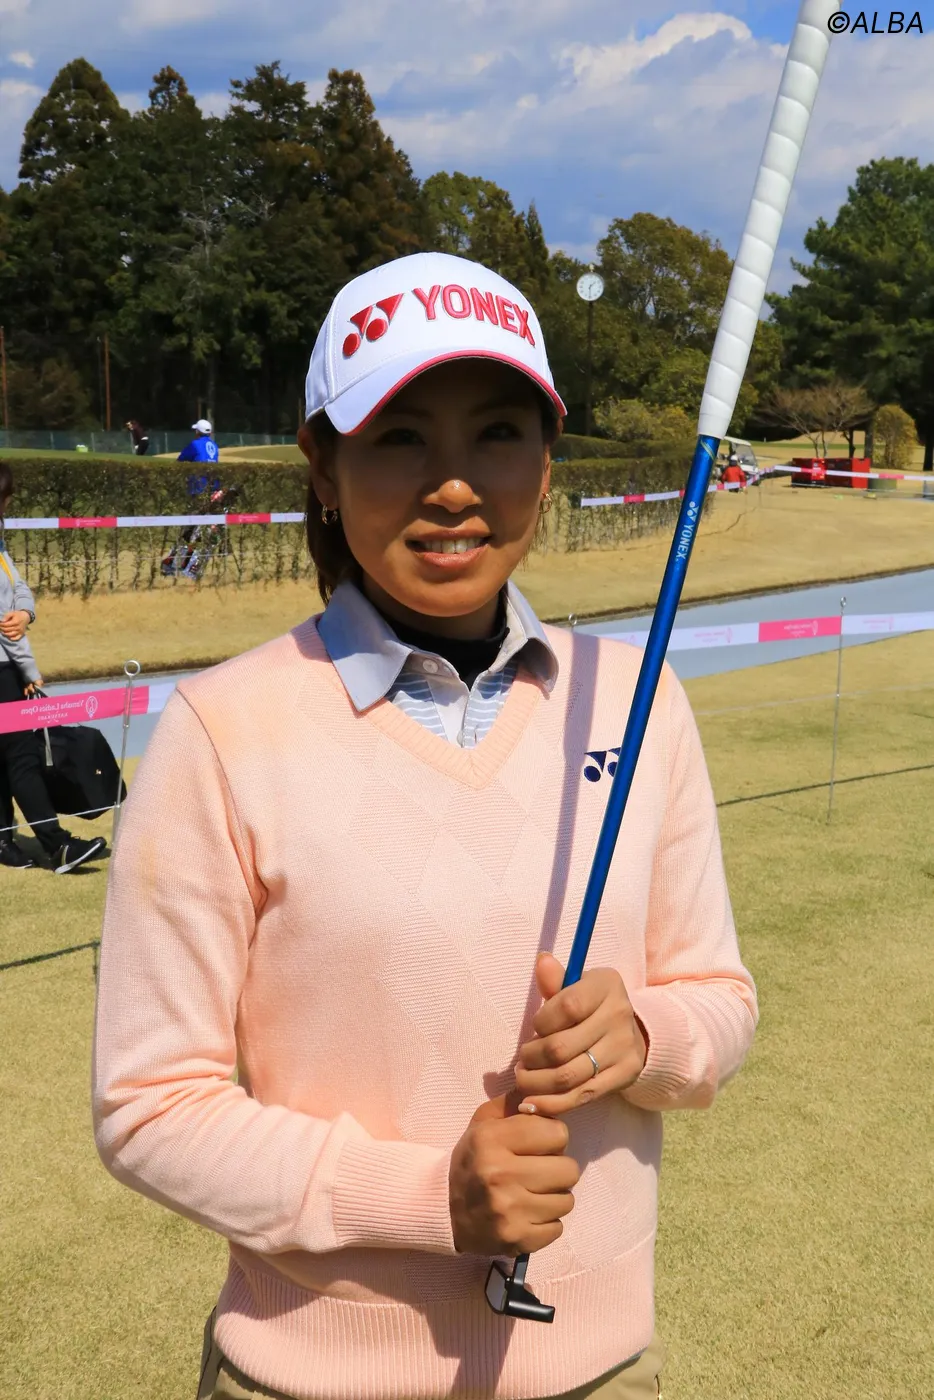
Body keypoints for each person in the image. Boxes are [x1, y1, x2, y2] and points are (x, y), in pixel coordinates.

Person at [92, 252, 758, 1400]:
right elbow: (149, 1107)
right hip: (306, 1377)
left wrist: (645, 1033)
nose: (453, 484)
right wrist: (427, 1196)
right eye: (400, 437)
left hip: (599, 1369)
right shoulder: (221, 728)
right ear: (323, 465)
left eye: (497, 432)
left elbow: (720, 996)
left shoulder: (636, 699)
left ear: (545, 462)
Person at [0, 464, 108, 873]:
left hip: (6, 665)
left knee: (6, 754)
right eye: (5, 498)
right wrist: (30, 671)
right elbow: (5, 623)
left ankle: (2, 840)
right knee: (22, 755)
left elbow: (17, 588)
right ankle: (57, 845)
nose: (7, 506)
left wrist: (28, 612)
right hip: (4, 665)